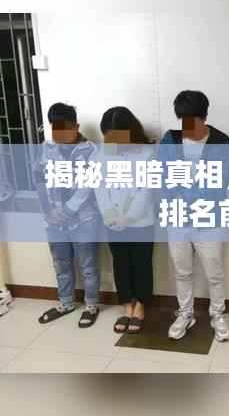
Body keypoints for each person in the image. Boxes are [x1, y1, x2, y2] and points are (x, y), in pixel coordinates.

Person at [159, 90, 229, 342]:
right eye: (183, 121)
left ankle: (217, 315)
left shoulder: (223, 143)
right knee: (182, 271)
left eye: (193, 121)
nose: (188, 127)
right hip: (177, 219)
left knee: (214, 273)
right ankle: (185, 314)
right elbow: (162, 177)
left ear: (205, 116)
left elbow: (221, 185)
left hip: (209, 220)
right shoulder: (170, 140)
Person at [34, 103, 100, 328]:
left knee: (88, 265)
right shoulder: (46, 149)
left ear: (76, 126)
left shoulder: (90, 150)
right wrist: (48, 211)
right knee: (60, 263)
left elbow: (87, 186)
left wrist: (67, 210)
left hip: (83, 219)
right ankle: (65, 303)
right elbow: (39, 181)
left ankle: (91, 306)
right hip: (53, 220)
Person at [94, 107, 155, 334]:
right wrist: (110, 216)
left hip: (141, 221)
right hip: (112, 222)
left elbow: (145, 191)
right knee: (120, 263)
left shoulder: (147, 153)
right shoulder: (103, 154)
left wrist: (128, 218)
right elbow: (100, 187)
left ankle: (141, 306)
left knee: (141, 263)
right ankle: (126, 305)